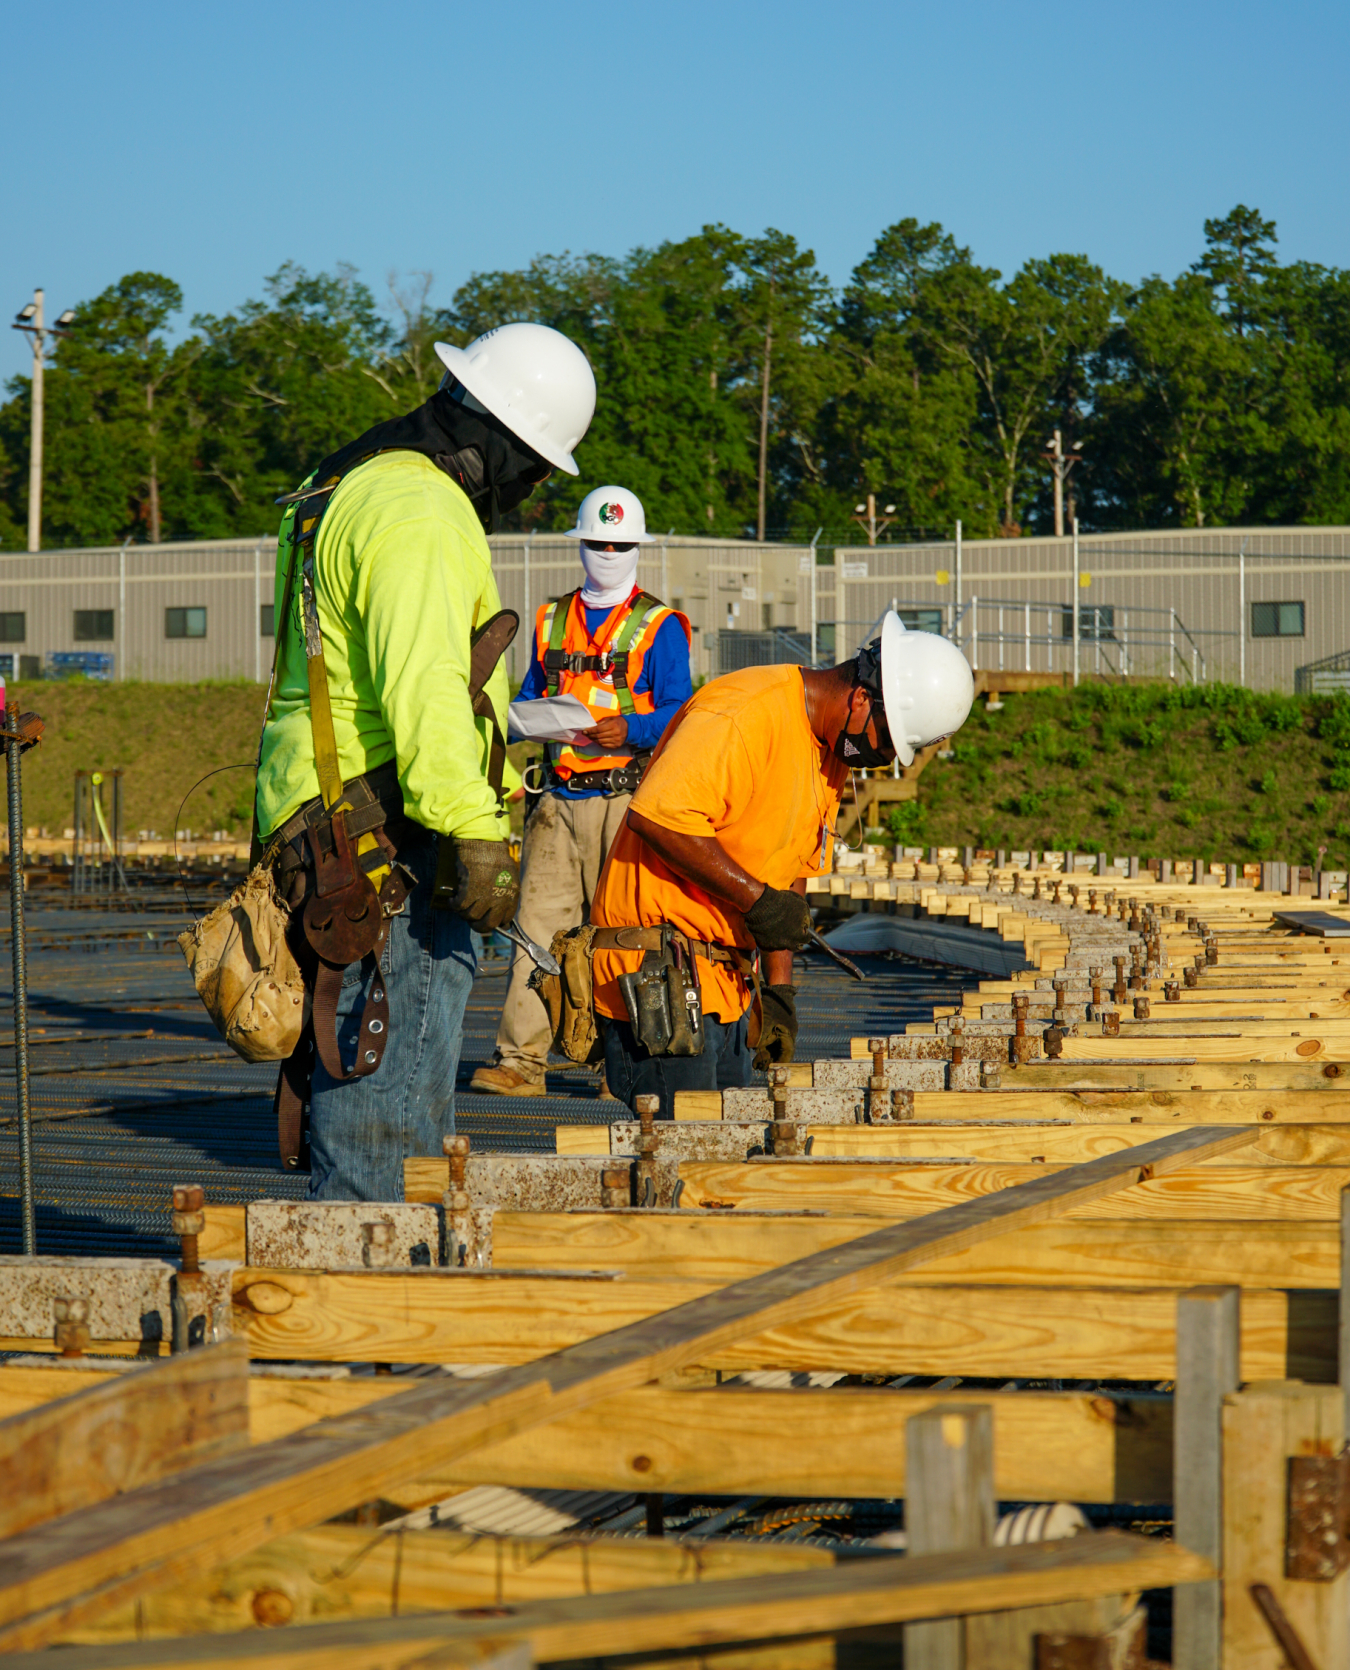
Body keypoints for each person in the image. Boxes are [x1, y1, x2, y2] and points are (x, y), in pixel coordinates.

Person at [255, 322, 596, 1201]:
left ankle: (359, 1308)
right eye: (532, 469)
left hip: (333, 824)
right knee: (388, 1139)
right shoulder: (420, 510)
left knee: (368, 1101)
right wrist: (478, 838)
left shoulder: (351, 485)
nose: (526, 492)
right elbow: (427, 691)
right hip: (390, 844)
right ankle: (373, 1319)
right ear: (498, 443)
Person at [587, 612, 975, 1114]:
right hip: (659, 970)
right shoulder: (745, 712)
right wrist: (756, 900)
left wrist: (780, 994)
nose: (878, 760)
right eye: (884, 743)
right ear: (862, 699)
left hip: (725, 983)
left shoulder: (828, 752)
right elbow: (658, 818)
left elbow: (787, 881)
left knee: (721, 1163)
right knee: (677, 1159)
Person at [470, 485, 693, 1097]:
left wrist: (635, 728)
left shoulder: (662, 627)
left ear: (637, 548)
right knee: (536, 929)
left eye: (620, 544)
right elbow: (524, 699)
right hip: (556, 801)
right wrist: (525, 719)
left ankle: (618, 1065)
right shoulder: (549, 619)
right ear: (581, 545)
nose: (609, 552)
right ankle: (521, 1062)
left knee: (623, 932)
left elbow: (680, 712)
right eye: (598, 542)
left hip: (625, 799)